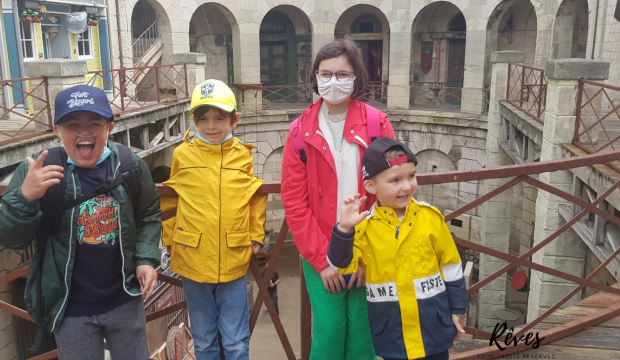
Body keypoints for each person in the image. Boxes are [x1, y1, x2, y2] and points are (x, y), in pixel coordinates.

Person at [0, 85, 162, 360]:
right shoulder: (35, 171)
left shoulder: (129, 165)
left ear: (109, 128)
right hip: (69, 306)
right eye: (72, 124)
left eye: (94, 124)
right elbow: (10, 238)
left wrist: (146, 258)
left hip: (124, 297)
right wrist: (26, 197)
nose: (84, 132)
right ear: (57, 131)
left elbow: (148, 214)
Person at [281, 39, 395, 360]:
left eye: (342, 74)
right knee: (329, 336)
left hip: (367, 250)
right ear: (315, 77)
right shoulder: (299, 131)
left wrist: (369, 255)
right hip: (321, 254)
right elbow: (294, 200)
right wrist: (321, 261)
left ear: (356, 76)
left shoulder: (377, 124)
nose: (333, 81)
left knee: (363, 338)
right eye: (326, 74)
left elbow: (390, 193)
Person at [327, 138, 469, 360]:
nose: (406, 186)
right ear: (371, 186)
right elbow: (342, 265)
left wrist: (458, 309)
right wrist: (344, 228)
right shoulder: (363, 228)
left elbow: (451, 266)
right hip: (392, 334)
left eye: (411, 176)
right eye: (395, 180)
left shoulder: (430, 218)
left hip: (433, 327)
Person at [161, 79, 268, 360]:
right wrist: (170, 239)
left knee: (235, 342)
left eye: (219, 118)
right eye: (203, 118)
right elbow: (170, 199)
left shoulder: (244, 154)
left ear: (234, 120)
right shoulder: (182, 153)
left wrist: (257, 235)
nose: (211, 125)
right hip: (192, 258)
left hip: (234, 258)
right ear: (194, 120)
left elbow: (255, 194)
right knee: (204, 339)